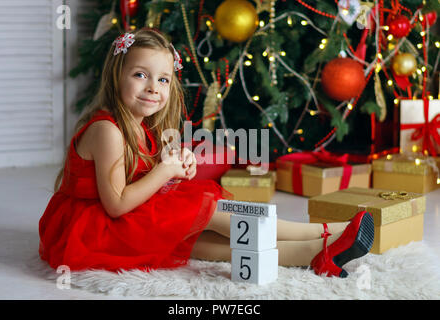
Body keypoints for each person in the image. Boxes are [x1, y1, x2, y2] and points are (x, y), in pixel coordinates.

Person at [39, 28, 374, 278]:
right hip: (92, 230)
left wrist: (176, 165)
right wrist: (164, 172)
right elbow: (116, 204)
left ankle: (314, 251)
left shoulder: (139, 125)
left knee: (193, 237)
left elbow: (143, 177)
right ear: (116, 76)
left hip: (120, 220)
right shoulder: (108, 130)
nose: (153, 87)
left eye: (164, 79)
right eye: (140, 75)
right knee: (206, 208)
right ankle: (327, 230)